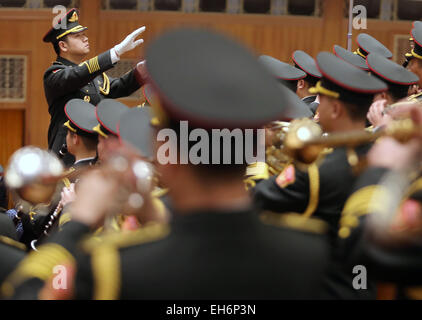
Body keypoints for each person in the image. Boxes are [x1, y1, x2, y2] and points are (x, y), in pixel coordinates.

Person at [4, 28, 329, 300]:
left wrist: (78, 221)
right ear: (253, 148)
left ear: (166, 153)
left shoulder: (114, 266)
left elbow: (25, 291)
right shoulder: (310, 251)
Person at [253, 52, 388, 299]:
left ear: (335, 108)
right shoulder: (381, 157)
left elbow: (258, 199)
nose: (317, 104)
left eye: (322, 98)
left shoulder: (318, 171)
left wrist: (257, 156)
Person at [43, 8, 147, 166]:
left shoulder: (94, 75)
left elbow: (119, 87)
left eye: (84, 34)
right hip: (67, 158)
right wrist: (115, 52)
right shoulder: (54, 74)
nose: (85, 38)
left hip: (95, 155)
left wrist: (141, 71)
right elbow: (77, 76)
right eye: (78, 36)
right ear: (63, 46)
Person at [365, 53, 419, 128]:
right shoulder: (413, 123)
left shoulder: (374, 126)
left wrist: (380, 129)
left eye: (372, 95)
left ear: (383, 95)